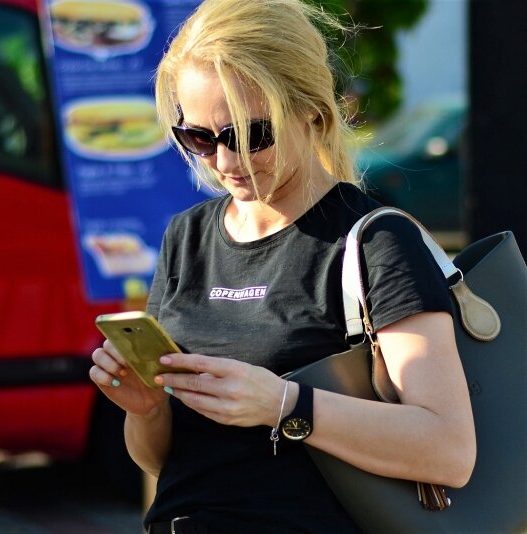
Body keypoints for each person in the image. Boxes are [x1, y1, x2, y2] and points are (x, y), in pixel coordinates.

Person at [89, 1, 476, 532]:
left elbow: (448, 450)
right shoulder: (187, 237)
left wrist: (282, 403)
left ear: (312, 112)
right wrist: (147, 409)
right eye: (200, 138)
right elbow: (163, 462)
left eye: (251, 136)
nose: (226, 162)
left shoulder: (376, 241)